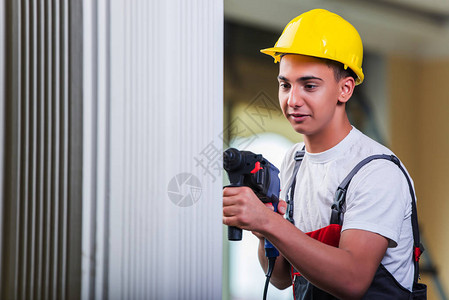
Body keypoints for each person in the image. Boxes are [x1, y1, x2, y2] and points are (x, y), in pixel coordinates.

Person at [222, 9, 426, 300]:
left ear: (345, 89)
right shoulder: (294, 161)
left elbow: (353, 280)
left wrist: (269, 222)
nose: (292, 100)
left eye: (309, 85)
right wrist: (263, 229)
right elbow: (280, 278)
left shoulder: (377, 171)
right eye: (285, 85)